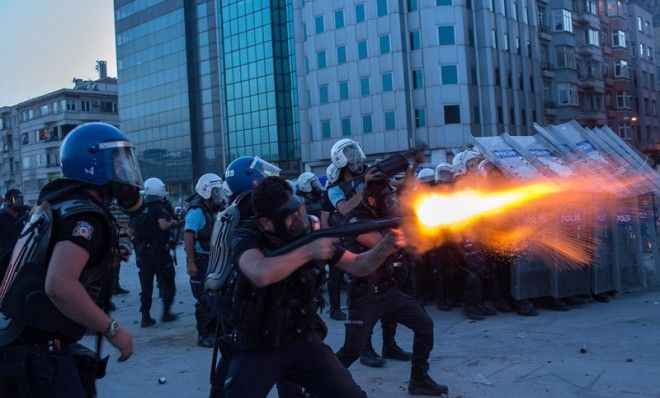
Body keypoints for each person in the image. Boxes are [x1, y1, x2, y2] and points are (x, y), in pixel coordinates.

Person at [222, 176, 405, 397]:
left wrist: (384, 247)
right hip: (257, 344)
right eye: (290, 216)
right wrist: (309, 251)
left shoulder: (310, 234)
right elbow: (259, 273)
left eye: (299, 210)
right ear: (266, 222)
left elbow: (359, 265)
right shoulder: (247, 234)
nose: (301, 219)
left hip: (302, 339)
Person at [0, 122, 140, 397]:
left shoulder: (60, 205)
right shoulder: (85, 215)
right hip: (41, 355)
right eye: (118, 161)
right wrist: (111, 330)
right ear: (95, 163)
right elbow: (59, 285)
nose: (125, 170)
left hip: (25, 348)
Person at [335, 174, 449, 396]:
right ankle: (319, 388)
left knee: (424, 325)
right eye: (386, 198)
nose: (391, 201)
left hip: (389, 290)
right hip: (365, 295)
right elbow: (380, 244)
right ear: (371, 201)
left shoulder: (390, 215)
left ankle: (419, 379)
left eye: (392, 196)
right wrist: (406, 225)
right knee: (352, 349)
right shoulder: (355, 220)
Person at [132, 177, 179, 327]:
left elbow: (130, 229)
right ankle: (166, 312)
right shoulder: (158, 207)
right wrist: (173, 222)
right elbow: (163, 225)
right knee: (168, 281)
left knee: (146, 286)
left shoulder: (139, 208)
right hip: (159, 251)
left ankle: (145, 316)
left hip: (143, 252)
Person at [185, 173, 225, 347]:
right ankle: (203, 335)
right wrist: (191, 263)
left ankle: (215, 330)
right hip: (200, 259)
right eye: (215, 192)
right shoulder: (196, 212)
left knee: (215, 296)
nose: (218, 196)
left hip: (213, 257)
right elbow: (188, 237)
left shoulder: (212, 210)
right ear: (206, 192)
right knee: (203, 299)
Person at [320, 164, 347, 321]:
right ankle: (335, 310)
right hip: (337, 237)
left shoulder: (347, 188)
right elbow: (324, 217)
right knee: (335, 276)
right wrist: (329, 237)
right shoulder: (329, 192)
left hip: (350, 234)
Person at [0, 189, 29, 259]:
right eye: (15, 200)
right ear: (7, 201)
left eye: (20, 199)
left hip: (21, 255)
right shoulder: (1, 218)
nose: (19, 202)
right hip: (6, 258)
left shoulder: (23, 217)